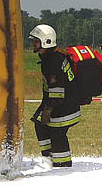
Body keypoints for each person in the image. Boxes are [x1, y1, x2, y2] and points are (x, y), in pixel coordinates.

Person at [28, 24, 81, 168]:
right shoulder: (52, 57)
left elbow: (57, 92)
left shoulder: (53, 62)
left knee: (57, 133)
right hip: (59, 103)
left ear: (47, 42)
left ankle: (62, 165)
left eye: (36, 41)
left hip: (64, 107)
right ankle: (48, 161)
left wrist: (48, 111)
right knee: (40, 125)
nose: (33, 44)